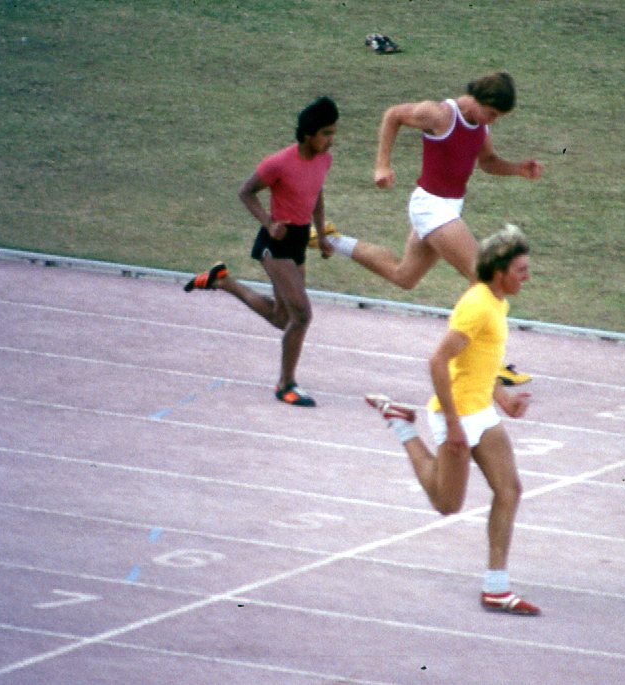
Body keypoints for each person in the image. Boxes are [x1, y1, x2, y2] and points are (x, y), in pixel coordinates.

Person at [365, 224, 540, 616]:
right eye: (521, 270)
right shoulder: (477, 305)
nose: (527, 277)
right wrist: (455, 426)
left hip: (482, 411)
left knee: (509, 490)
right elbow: (438, 360)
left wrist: (503, 398)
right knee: (447, 505)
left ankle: (496, 588)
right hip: (456, 414)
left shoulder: (498, 302)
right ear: (499, 272)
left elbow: (482, 357)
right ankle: (402, 426)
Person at [326, 72, 542, 386]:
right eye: (492, 114)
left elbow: (488, 162)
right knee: (484, 276)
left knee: (404, 276)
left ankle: (331, 239)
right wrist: (382, 164)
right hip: (430, 205)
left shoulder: (480, 127)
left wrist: (518, 169)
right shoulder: (440, 114)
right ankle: (486, 361)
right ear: (480, 101)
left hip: (449, 208)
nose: (492, 121)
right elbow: (393, 115)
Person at [183, 96, 339, 408]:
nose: (331, 139)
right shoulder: (279, 162)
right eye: (326, 133)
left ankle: (222, 281)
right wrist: (268, 224)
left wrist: (321, 235)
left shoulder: (324, 160)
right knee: (303, 315)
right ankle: (286, 384)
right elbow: (246, 191)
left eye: (334, 132)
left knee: (284, 319)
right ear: (308, 134)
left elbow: (317, 194)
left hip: (297, 242)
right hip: (276, 244)